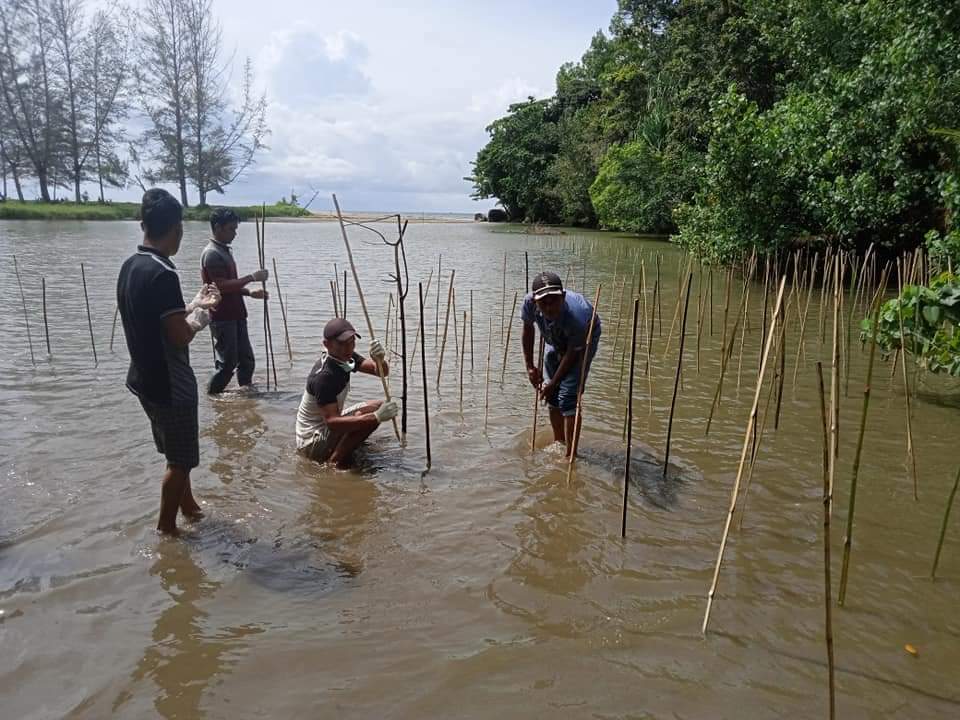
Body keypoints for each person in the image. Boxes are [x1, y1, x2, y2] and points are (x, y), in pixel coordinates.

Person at [117, 188, 221, 535]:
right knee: (180, 460)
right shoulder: (164, 273)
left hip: (144, 377)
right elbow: (179, 335)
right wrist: (204, 315)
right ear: (176, 230)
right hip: (169, 381)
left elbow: (156, 320)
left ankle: (188, 506)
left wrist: (193, 303)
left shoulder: (132, 265)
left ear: (143, 225)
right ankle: (167, 530)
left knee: (175, 451)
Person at [295, 318, 398, 469]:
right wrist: (376, 418)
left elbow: (380, 372)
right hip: (310, 441)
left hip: (326, 427)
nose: (348, 348)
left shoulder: (345, 357)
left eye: (352, 342)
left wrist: (380, 360)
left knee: (376, 406)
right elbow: (333, 423)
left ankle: (343, 447)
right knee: (369, 418)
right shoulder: (324, 377)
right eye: (342, 344)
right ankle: (334, 463)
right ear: (327, 345)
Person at [521, 271, 601, 459]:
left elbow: (572, 352)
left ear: (563, 297)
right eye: (543, 303)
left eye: (554, 301)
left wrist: (553, 383)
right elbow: (527, 329)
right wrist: (530, 367)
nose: (549, 308)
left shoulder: (579, 316)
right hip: (555, 336)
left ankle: (571, 455)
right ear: (535, 301)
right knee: (553, 398)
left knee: (568, 396)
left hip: (582, 340)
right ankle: (559, 441)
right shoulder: (529, 304)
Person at [200, 207, 269, 394]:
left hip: (236, 313)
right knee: (227, 364)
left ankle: (245, 395)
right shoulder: (212, 253)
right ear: (218, 228)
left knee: (246, 360)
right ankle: (213, 397)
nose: (235, 233)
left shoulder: (224, 250)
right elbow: (220, 286)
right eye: (231, 229)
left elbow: (231, 284)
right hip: (222, 316)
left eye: (235, 228)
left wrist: (249, 293)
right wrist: (251, 277)